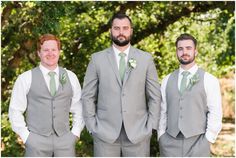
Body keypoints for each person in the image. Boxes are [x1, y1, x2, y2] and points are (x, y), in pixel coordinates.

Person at [82, 13, 161, 157]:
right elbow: (88, 96)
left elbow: (155, 96)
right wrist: (92, 126)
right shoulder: (97, 59)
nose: (121, 32)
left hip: (139, 133)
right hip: (104, 134)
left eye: (125, 28)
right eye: (116, 28)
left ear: (131, 31)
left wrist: (151, 127)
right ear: (111, 31)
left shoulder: (145, 59)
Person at [8, 34, 84, 157]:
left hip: (65, 142)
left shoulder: (71, 77)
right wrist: (26, 137)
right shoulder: (26, 78)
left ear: (59, 52)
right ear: (39, 53)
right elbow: (15, 110)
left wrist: (75, 133)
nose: (50, 53)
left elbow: (79, 107)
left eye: (54, 49)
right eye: (46, 50)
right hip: (36, 142)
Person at [158, 33, 222, 157]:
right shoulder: (167, 80)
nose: (184, 52)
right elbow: (163, 111)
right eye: (180, 49)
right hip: (169, 144)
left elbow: (215, 113)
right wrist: (161, 136)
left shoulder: (209, 80)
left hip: (198, 143)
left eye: (188, 48)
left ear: (195, 51)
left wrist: (208, 139)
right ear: (176, 52)